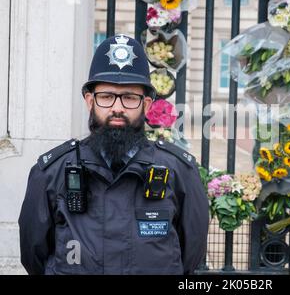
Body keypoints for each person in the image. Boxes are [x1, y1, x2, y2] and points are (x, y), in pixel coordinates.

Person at [18, 34, 209, 275]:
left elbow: (191, 254)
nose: (117, 108)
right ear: (90, 101)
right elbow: (34, 255)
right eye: (107, 97)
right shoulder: (51, 172)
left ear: (146, 105)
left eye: (129, 97)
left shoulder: (180, 172)